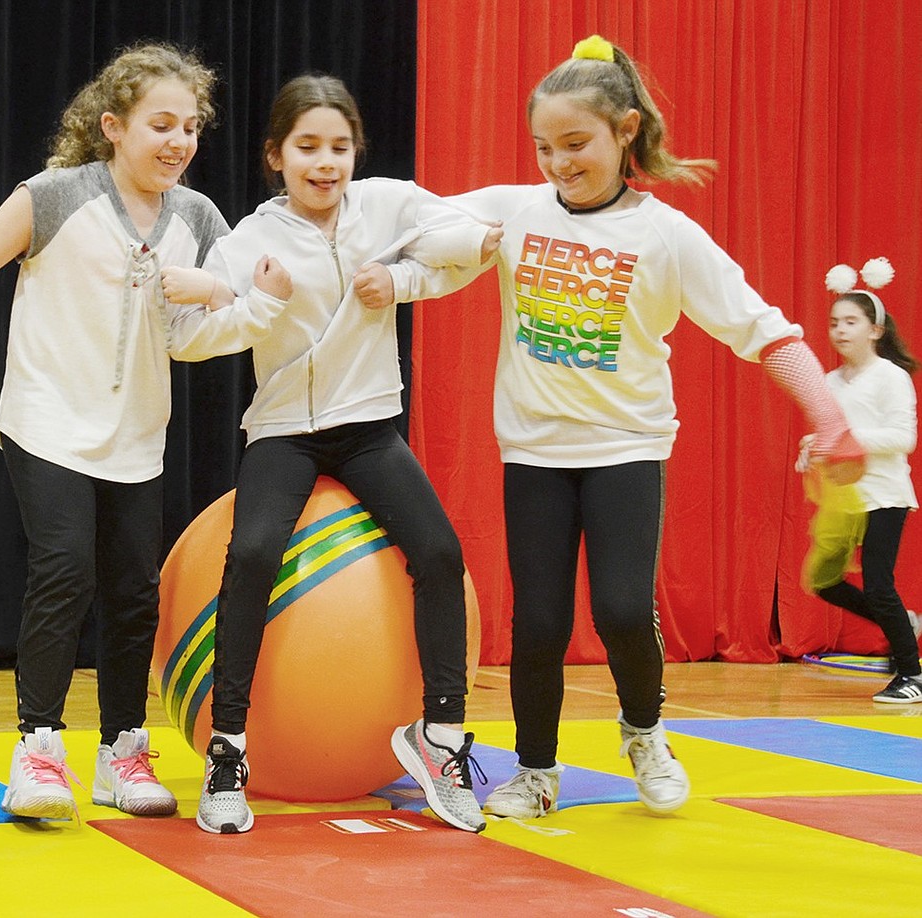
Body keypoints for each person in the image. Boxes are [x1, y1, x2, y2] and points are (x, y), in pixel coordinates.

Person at [383, 34, 867, 820]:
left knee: (616, 611)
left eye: (576, 144)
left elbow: (763, 329)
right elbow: (412, 226)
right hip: (535, 452)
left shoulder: (664, 235)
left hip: (627, 450)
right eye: (544, 147)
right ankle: (536, 771)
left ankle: (644, 731)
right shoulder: (516, 208)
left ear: (626, 131)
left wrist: (829, 416)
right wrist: (474, 240)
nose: (558, 163)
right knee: (537, 622)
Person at [0, 43, 292, 821]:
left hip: (136, 440)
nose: (179, 141)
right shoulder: (56, 196)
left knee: (133, 595)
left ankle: (122, 754)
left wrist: (243, 298)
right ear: (113, 127)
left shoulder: (197, 217)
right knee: (64, 570)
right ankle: (37, 752)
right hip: (46, 424)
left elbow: (189, 338)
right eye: (161, 124)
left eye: (191, 127)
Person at [182, 73, 501, 835]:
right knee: (252, 552)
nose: (325, 162)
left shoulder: (390, 205)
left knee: (440, 553)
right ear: (275, 156)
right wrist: (258, 302)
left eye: (339, 146)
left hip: (366, 425)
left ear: (356, 150)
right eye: (307, 147)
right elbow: (196, 336)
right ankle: (228, 752)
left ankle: (443, 738)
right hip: (284, 431)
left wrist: (400, 280)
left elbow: (476, 247)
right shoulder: (249, 239)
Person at [797, 258, 919, 703]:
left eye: (851, 321)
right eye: (834, 323)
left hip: (884, 494)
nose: (840, 330)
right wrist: (812, 447)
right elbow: (830, 433)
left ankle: (912, 674)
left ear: (875, 330)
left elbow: (904, 437)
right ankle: (904, 623)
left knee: (878, 583)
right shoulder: (828, 381)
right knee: (825, 580)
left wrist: (848, 439)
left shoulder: (892, 376)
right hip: (845, 497)